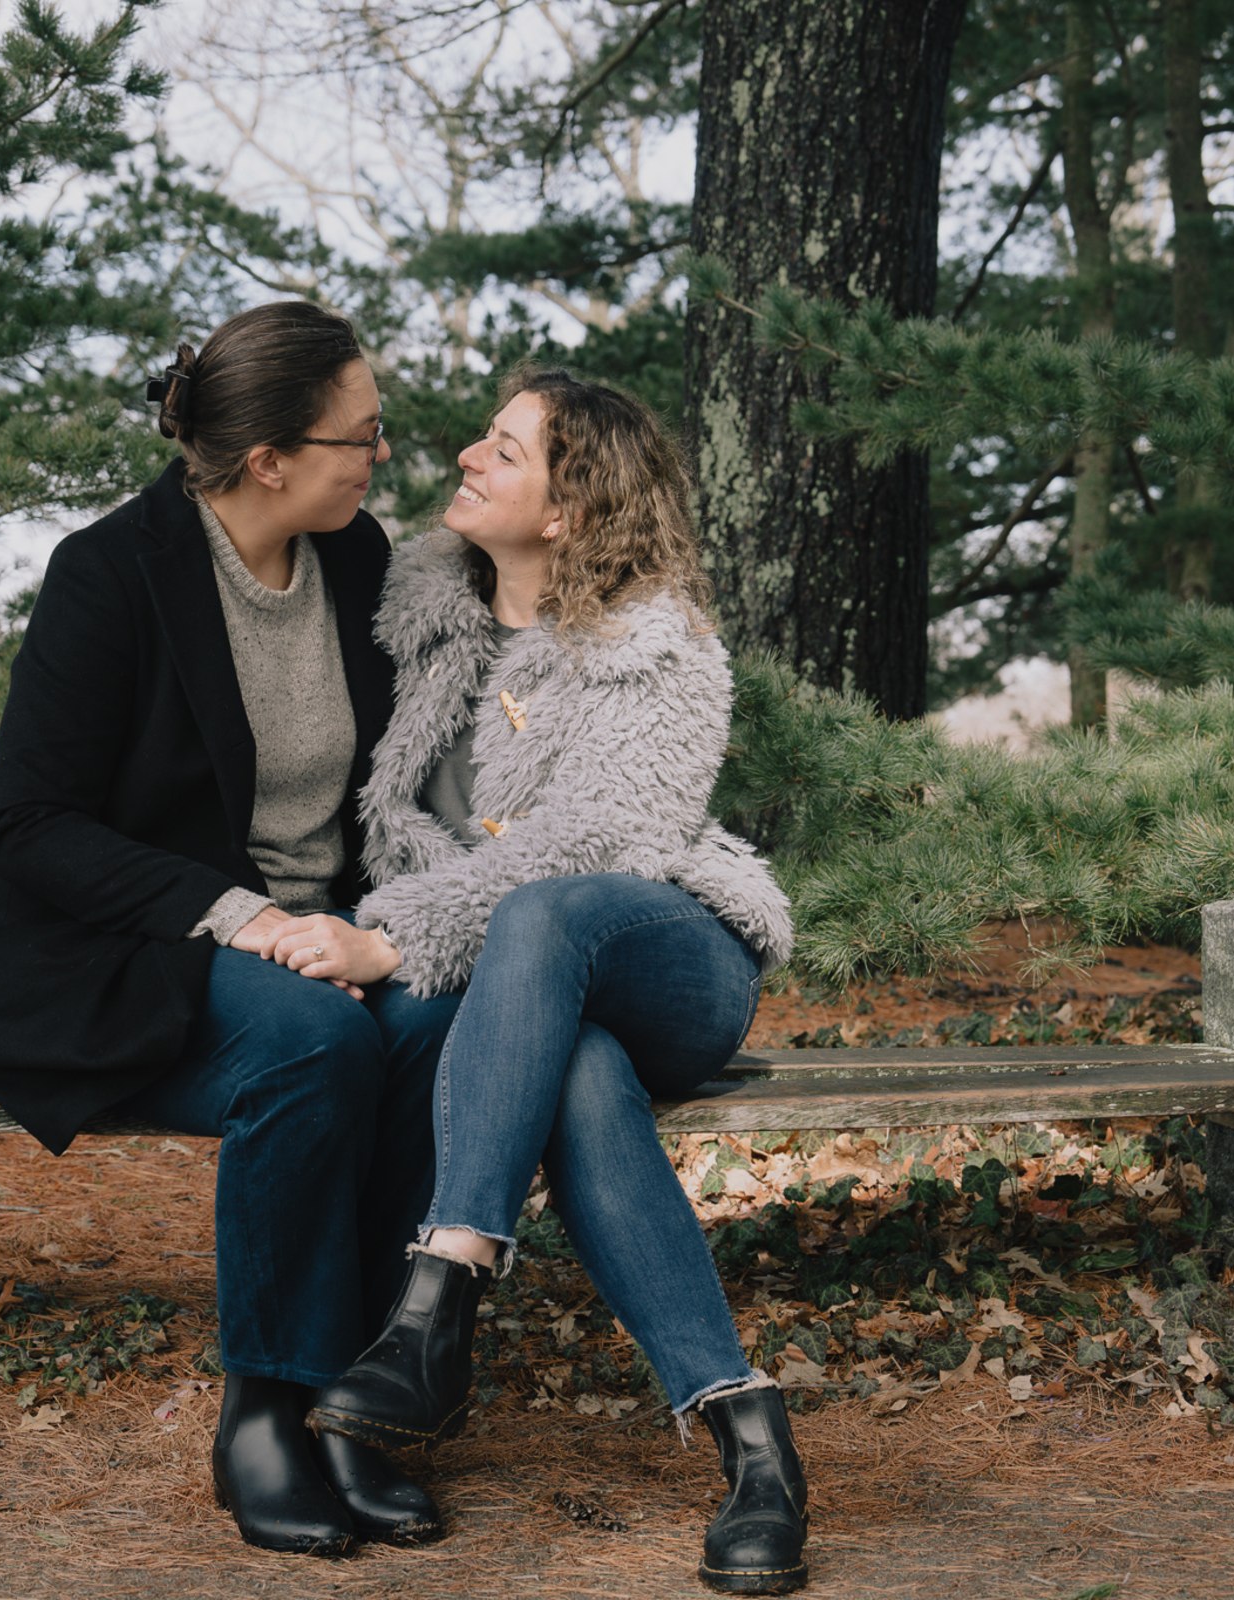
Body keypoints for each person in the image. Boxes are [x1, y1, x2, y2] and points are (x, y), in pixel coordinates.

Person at [253, 370, 810, 1595]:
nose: (467, 456)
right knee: (579, 1073)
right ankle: (748, 1434)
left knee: (547, 908)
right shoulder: (418, 616)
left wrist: (389, 936)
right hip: (524, 993)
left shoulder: (653, 643)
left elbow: (597, 844)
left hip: (666, 951)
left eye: (502, 451)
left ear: (565, 510)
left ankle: (438, 1296)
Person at [0, 301, 466, 1558]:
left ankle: (358, 1400)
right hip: (132, 950)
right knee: (311, 1045)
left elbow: (392, 779)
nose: (379, 457)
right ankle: (265, 1410)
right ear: (268, 460)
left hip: (319, 933)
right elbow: (28, 824)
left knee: (435, 1017)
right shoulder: (112, 573)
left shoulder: (353, 558)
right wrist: (241, 918)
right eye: (360, 435)